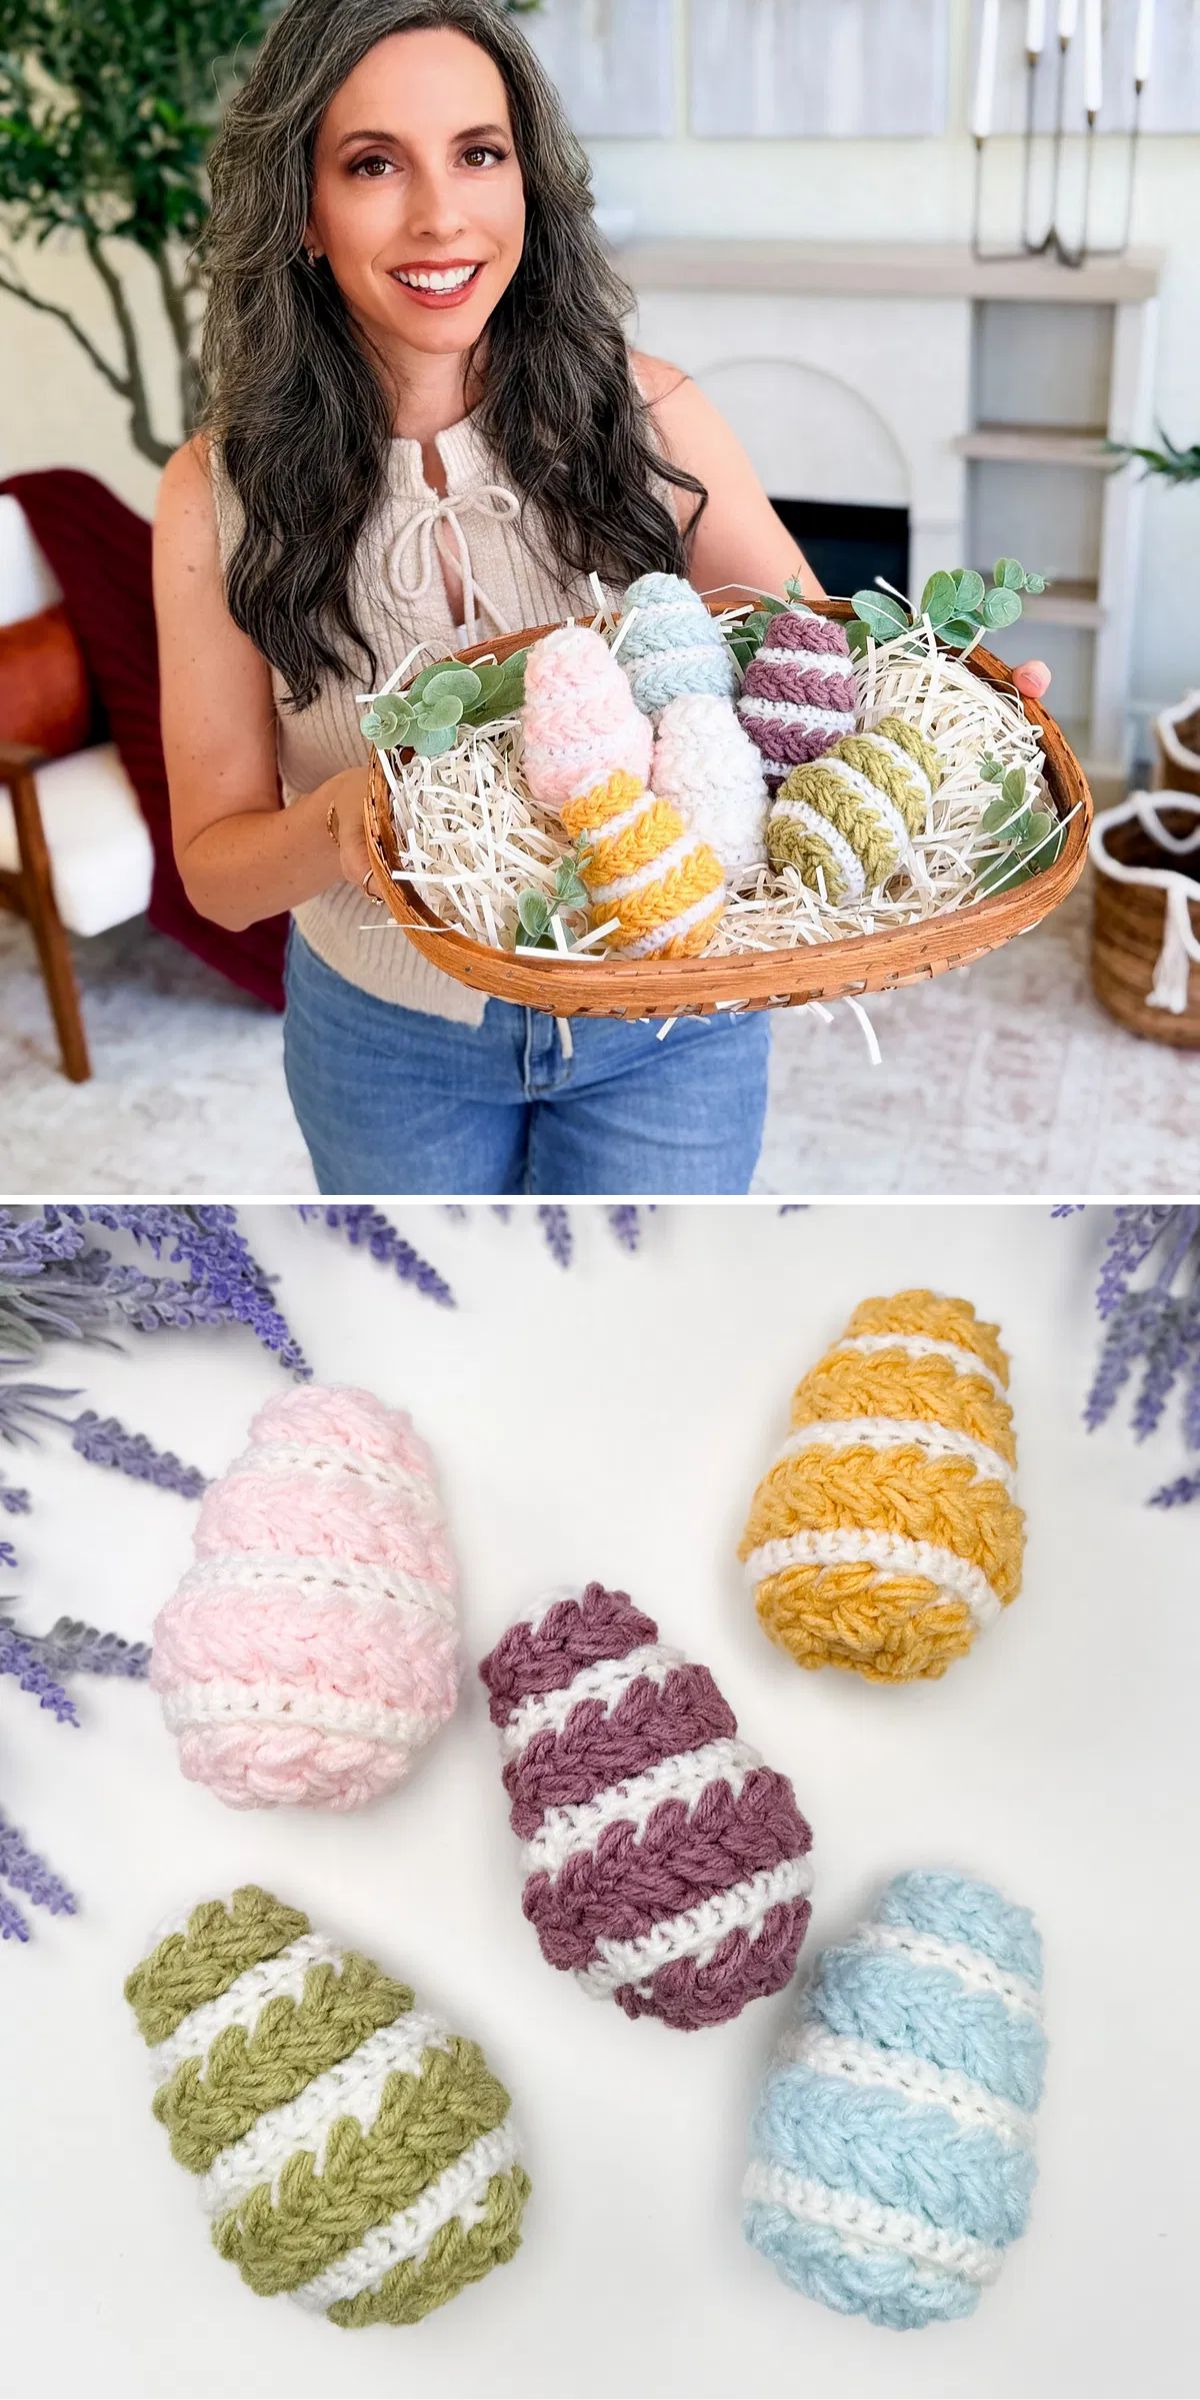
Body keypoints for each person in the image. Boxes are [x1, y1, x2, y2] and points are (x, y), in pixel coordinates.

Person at [155, 0, 1050, 1197]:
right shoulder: (216, 496)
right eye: (375, 165)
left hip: (671, 1022)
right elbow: (215, 871)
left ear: (527, 183)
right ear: (304, 213)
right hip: (387, 1041)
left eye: (480, 153)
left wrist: (942, 710)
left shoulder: (653, 415)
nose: (442, 214)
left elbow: (819, 670)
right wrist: (373, 818)